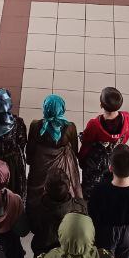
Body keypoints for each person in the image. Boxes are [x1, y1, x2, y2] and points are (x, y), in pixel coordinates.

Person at [26, 95, 82, 227]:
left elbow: (30, 149)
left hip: (40, 163)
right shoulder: (70, 127)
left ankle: (35, 219)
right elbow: (75, 151)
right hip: (62, 164)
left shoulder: (36, 125)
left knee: (37, 192)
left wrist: (30, 162)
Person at [79, 86, 129, 202]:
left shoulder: (94, 124)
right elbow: (126, 136)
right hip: (113, 158)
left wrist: (81, 159)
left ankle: (88, 198)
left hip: (96, 161)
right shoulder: (127, 117)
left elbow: (86, 144)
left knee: (91, 183)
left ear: (101, 105)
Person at [31, 173, 86, 257]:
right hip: (70, 256)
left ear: (46, 188)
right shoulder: (80, 206)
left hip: (43, 256)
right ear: (69, 187)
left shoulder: (36, 208)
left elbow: (33, 228)